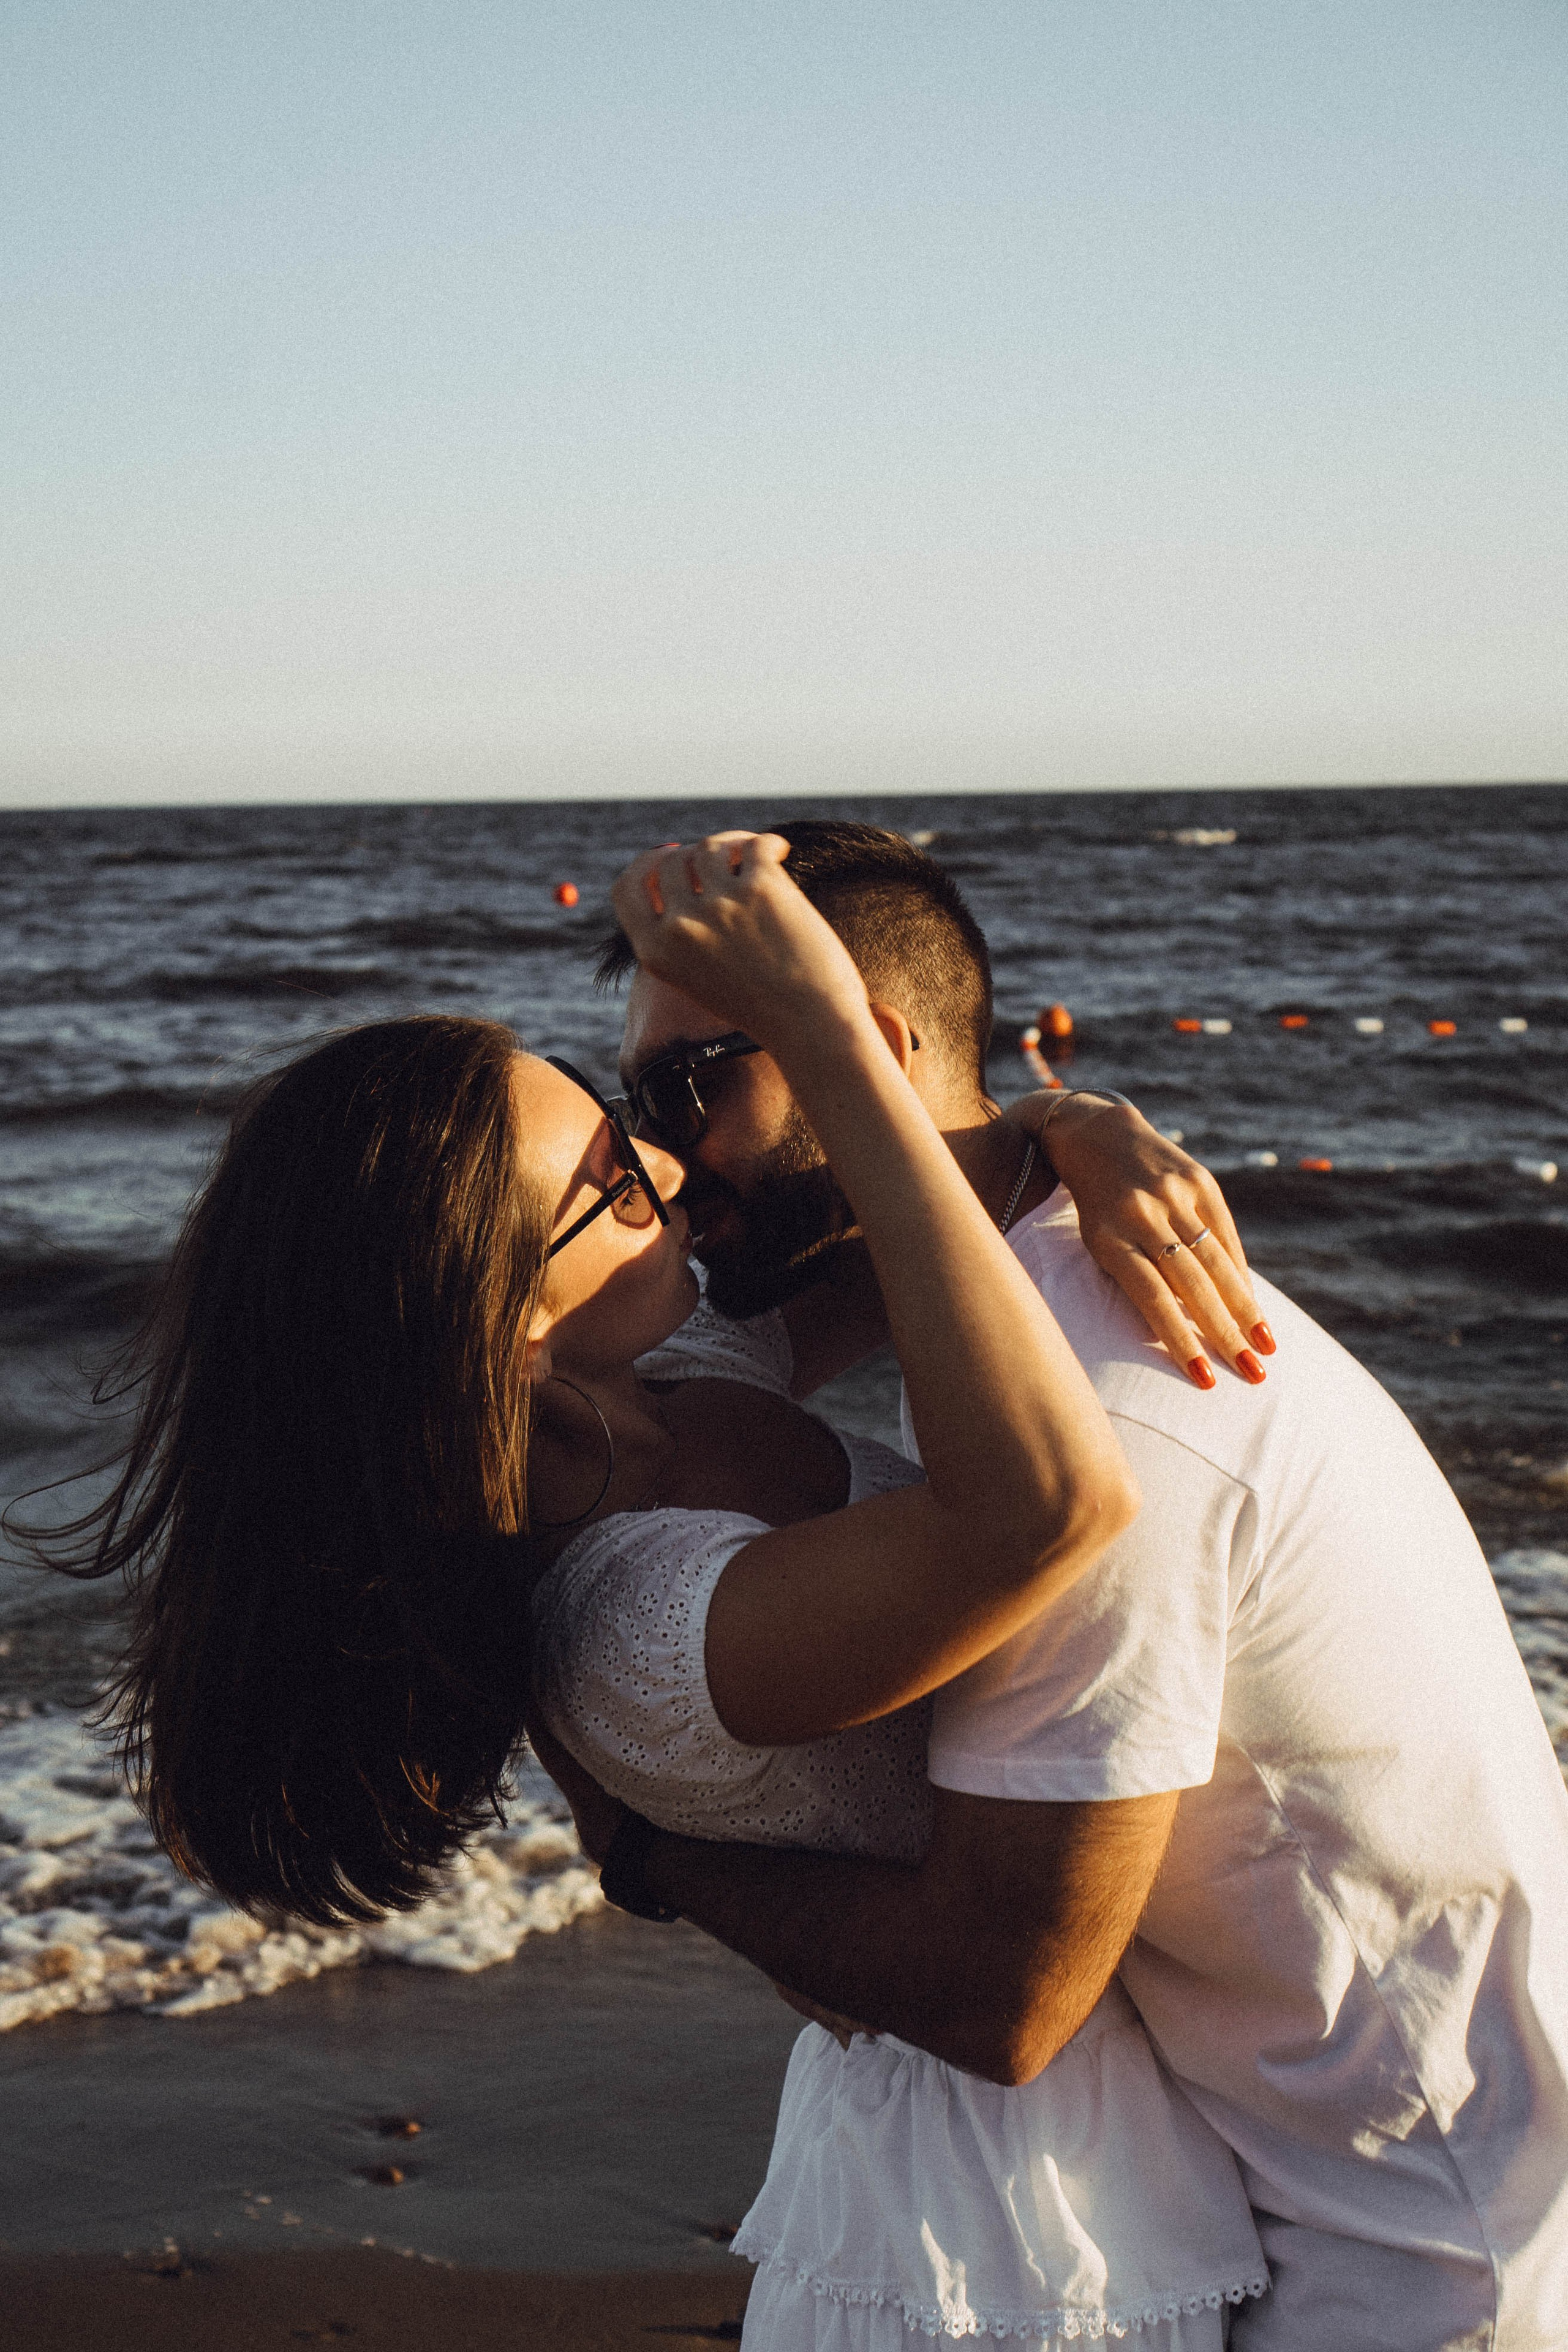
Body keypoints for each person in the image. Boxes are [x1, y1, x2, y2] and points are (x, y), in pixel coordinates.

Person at [38, 834, 1267, 2347]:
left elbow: (915, 1213)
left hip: (1111, 2115)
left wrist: (1074, 1122)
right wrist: (825, 1033)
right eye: (617, 1184)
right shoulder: (635, 1624)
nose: (671, 1169)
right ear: (502, 1319)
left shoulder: (656, 1365)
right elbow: (1046, 1504)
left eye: (625, 1124)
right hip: (1001, 2220)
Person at [556, 820, 1568, 2352]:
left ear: (856, 1048)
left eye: (689, 1088)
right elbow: (722, 1331)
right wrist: (1048, 1119)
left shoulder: (1102, 1402)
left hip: (1420, 2252)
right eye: (633, 1102)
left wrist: (646, 1856)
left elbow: (1003, 1994)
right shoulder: (1012, 1307)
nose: (661, 1154)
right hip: (1329, 2173)